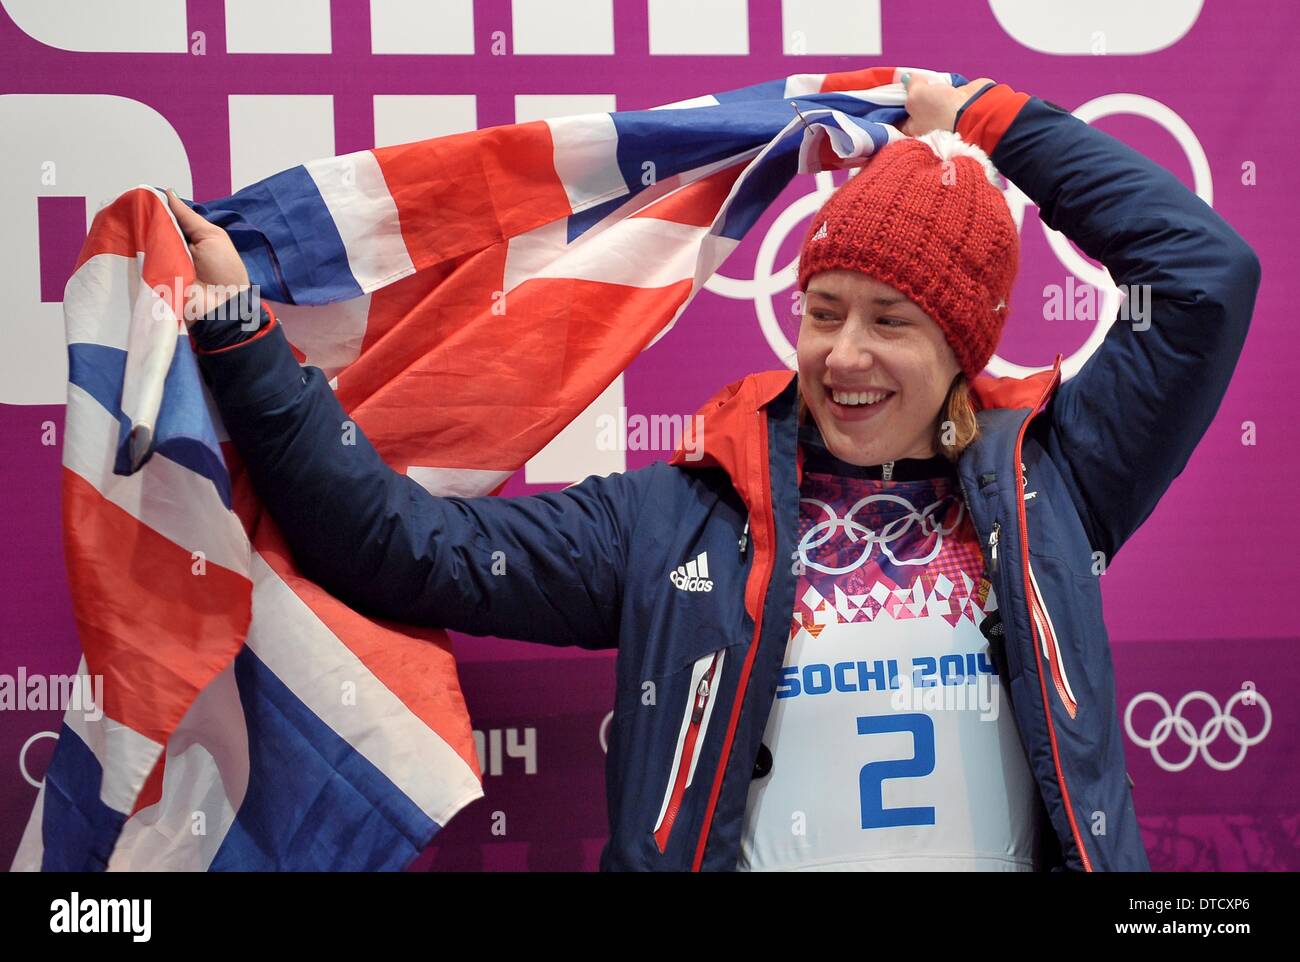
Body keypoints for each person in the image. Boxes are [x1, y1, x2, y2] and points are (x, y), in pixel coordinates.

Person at [165, 73, 1260, 872]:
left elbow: (1205, 273)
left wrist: (983, 116)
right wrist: (238, 334)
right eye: (822, 310)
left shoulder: (1056, 478)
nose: (843, 354)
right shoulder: (683, 514)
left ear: (962, 348)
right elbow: (409, 548)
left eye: (891, 322)